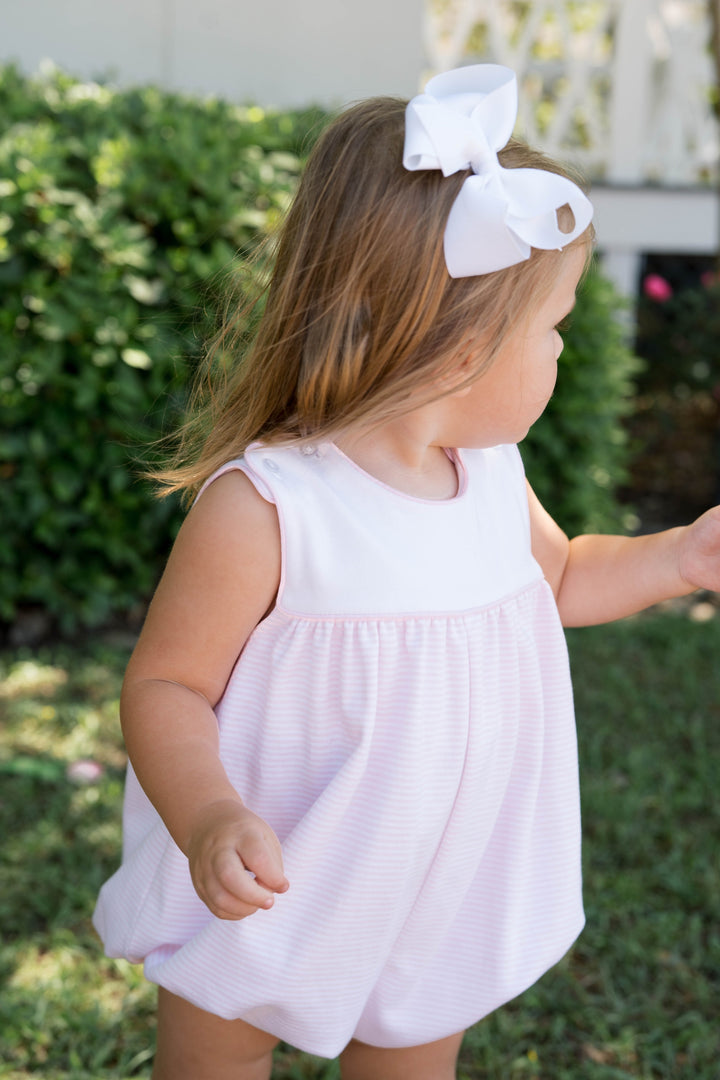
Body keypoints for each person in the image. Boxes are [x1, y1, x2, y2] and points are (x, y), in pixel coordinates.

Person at [93, 65, 720, 1080]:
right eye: (554, 328)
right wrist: (209, 816)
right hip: (273, 875)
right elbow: (167, 685)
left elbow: (558, 582)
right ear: (460, 346)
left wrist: (681, 557)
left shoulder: (489, 476)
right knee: (219, 1052)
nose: (562, 353)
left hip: (437, 875)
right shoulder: (269, 507)